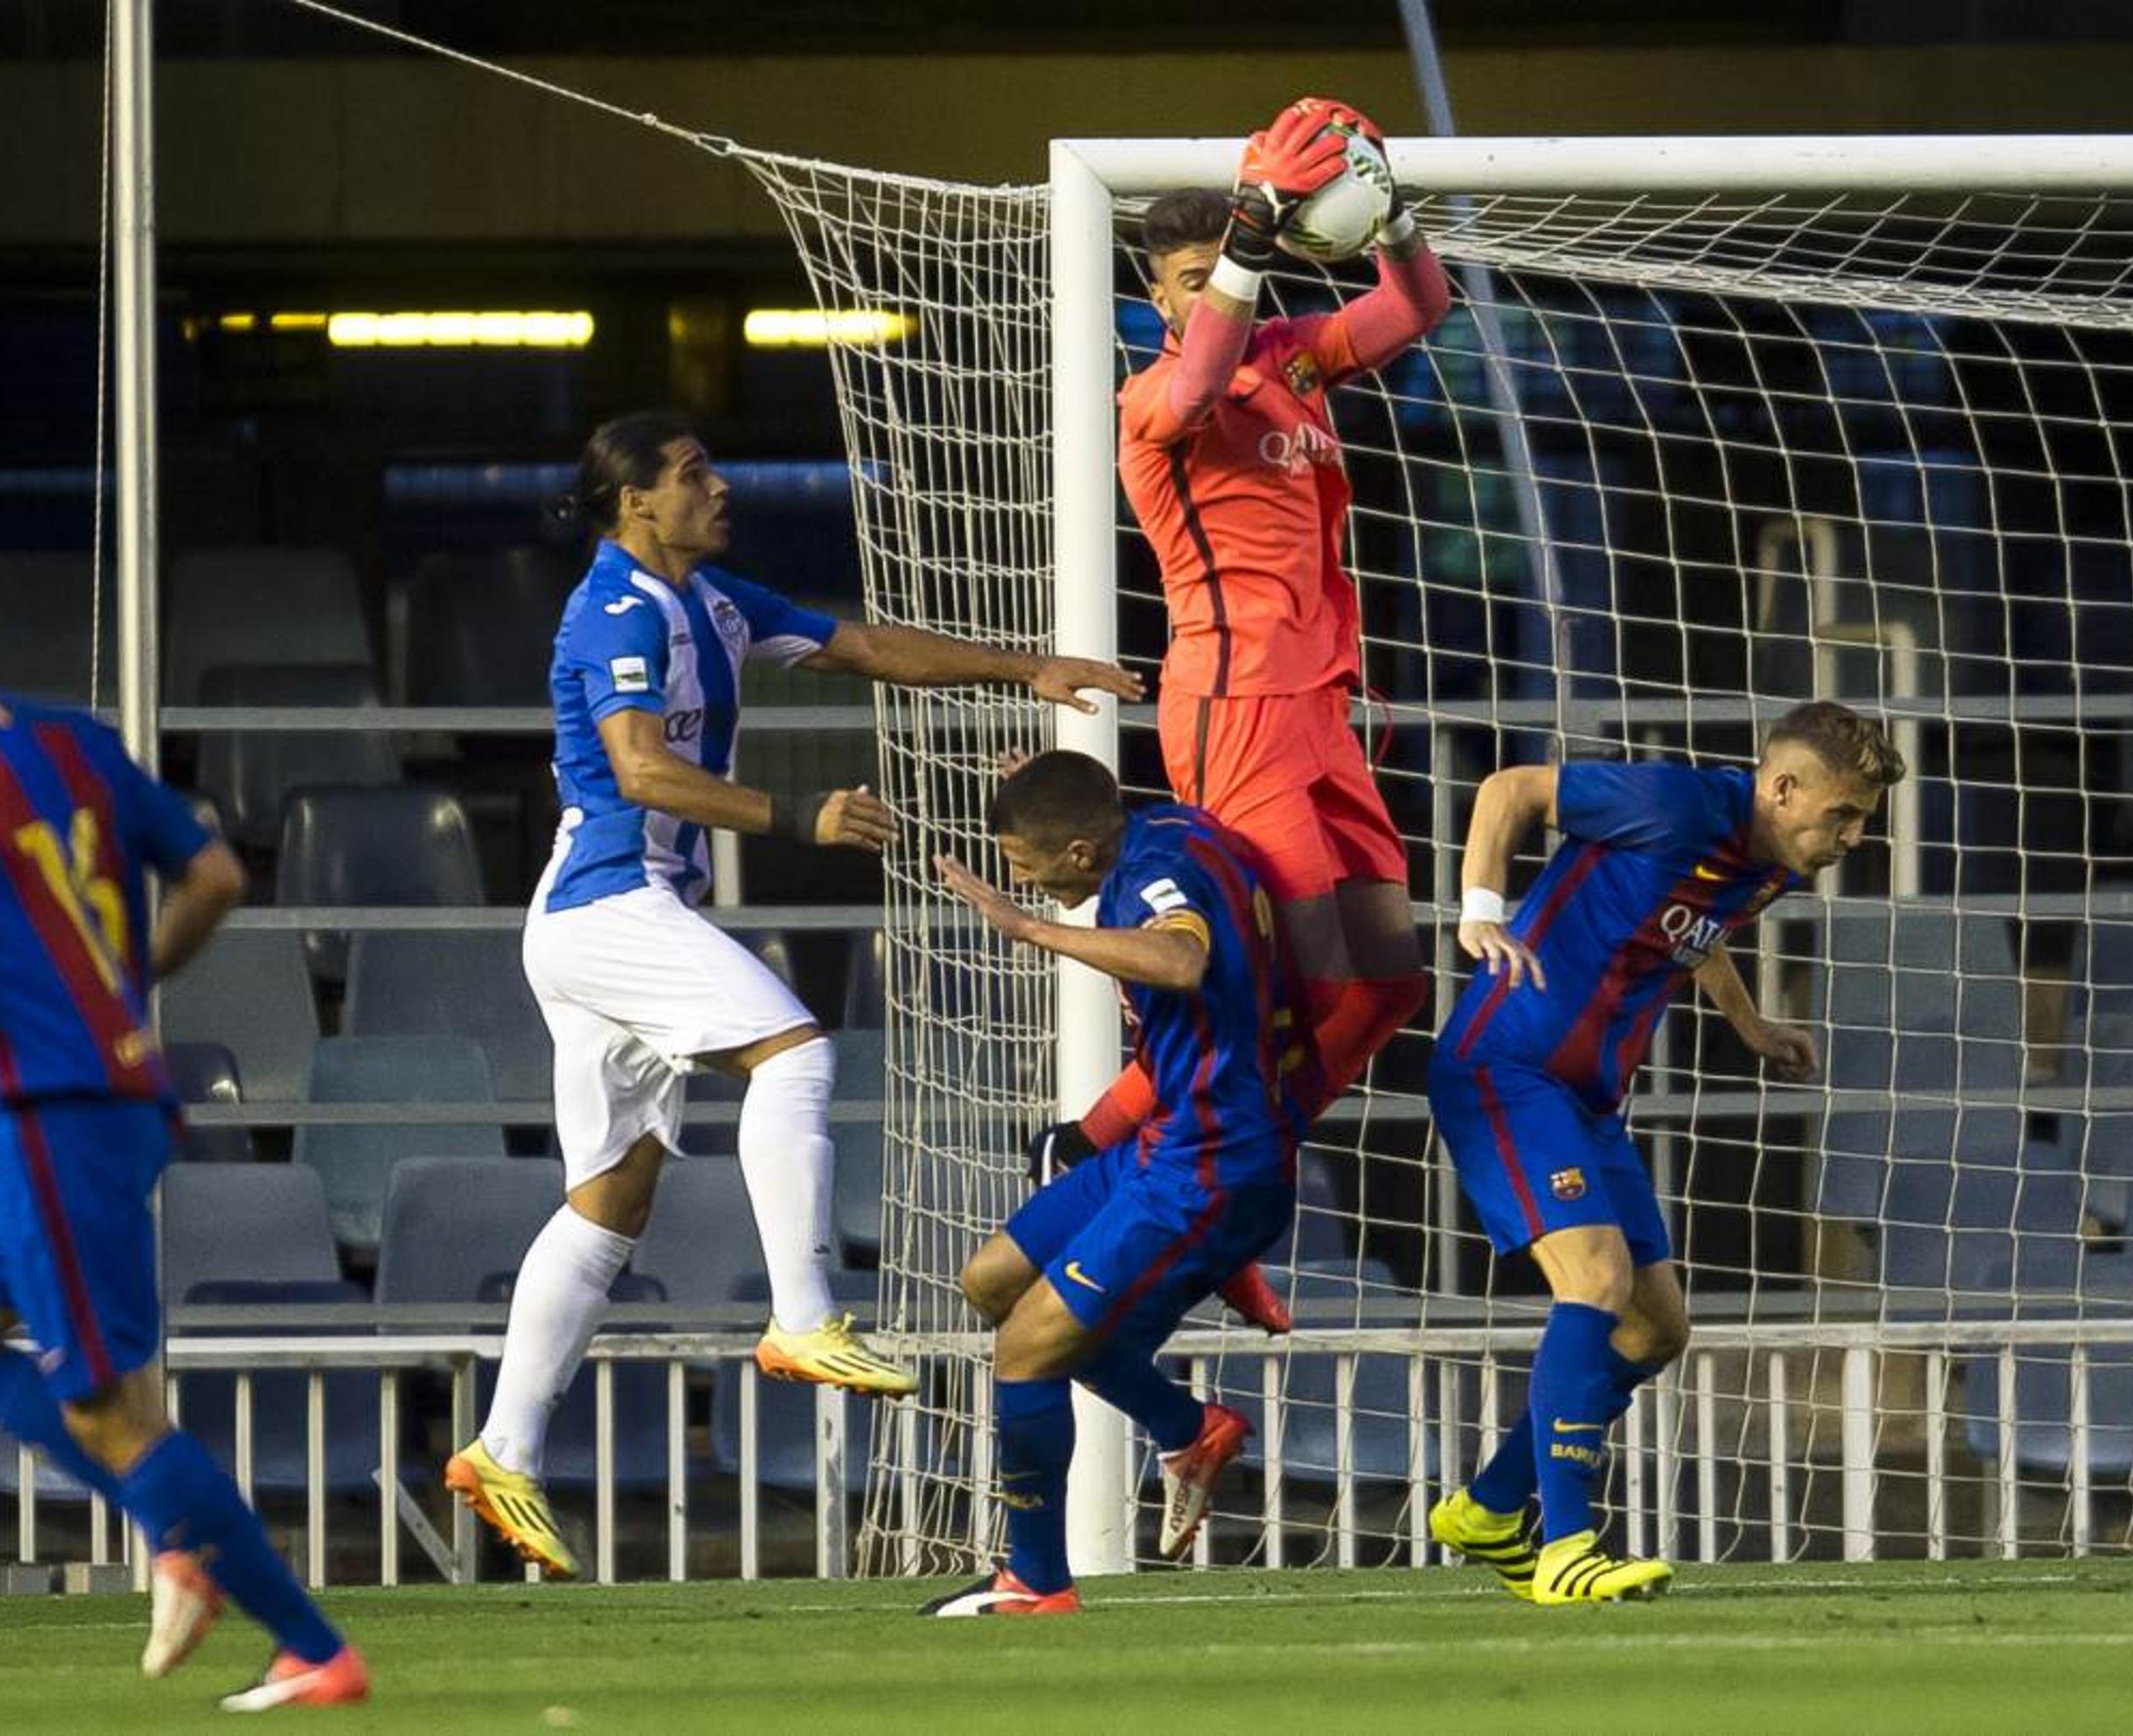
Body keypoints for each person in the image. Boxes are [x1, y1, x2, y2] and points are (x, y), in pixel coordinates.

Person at [445, 412, 1142, 1579]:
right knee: (798, 1052)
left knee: (613, 1203)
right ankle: (804, 1316)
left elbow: (864, 648)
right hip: (607, 907)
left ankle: (502, 1449)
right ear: (635, 505)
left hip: (617, 918)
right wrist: (794, 818)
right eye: (692, 474)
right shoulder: (614, 608)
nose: (719, 487)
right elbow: (641, 769)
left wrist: (1029, 670)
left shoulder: (713, 601)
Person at [0, 529, 366, 1710]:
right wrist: (129, 977)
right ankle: (168, 1522)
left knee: (110, 1414)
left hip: (64, 1114)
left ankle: (305, 1641)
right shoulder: (73, 739)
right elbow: (216, 875)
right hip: (93, 1101)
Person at [1043, 96, 1456, 1333]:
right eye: (1184, 276)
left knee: (1385, 983)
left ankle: (1120, 1144)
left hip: (1327, 701)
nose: (1210, 289)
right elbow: (1199, 378)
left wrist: (1392, 214)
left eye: (1213, 266)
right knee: (1282, 976)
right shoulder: (1156, 397)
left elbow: (1419, 309)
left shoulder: (1292, 358)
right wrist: (1247, 238)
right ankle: (1175, 1178)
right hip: (1235, 702)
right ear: (1160, 296)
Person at [1425, 701, 1906, 1603]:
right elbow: (1508, 788)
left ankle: (1487, 1508)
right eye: (1840, 814)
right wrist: (1480, 912)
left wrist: (1748, 1020)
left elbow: (1691, 930)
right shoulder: (1675, 803)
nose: (1849, 835)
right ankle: (1565, 1544)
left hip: (1588, 1100)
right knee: (1595, 1282)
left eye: (1860, 822)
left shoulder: (1768, 864)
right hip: (1506, 1065)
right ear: (1783, 784)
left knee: (1655, 1328)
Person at [921, 750, 1317, 1614]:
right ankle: (1186, 1427)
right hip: (1165, 1139)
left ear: (1078, 852)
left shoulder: (1154, 875)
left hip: (1209, 1162)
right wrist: (1046, 784)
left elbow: (1179, 960)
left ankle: (1034, 1580)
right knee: (990, 1281)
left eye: (1027, 868)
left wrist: (1030, 932)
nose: (1019, 883)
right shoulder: (1170, 824)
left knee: (1025, 1347)